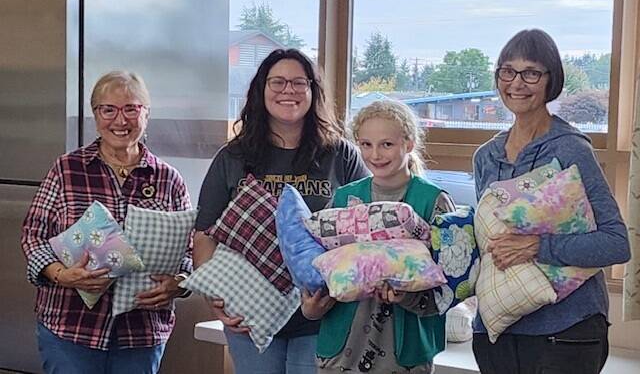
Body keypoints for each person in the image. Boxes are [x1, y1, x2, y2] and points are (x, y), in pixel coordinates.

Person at [192, 48, 369, 374]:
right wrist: (213, 297)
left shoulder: (340, 154)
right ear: (261, 89)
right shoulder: (233, 157)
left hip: (324, 314)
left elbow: (366, 227)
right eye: (278, 82)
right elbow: (204, 234)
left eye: (299, 83)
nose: (288, 90)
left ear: (313, 91)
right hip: (249, 315)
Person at [472, 29, 631, 374]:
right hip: (497, 332)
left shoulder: (570, 149)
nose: (517, 83)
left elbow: (616, 244)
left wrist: (535, 247)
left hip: (565, 333)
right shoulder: (487, 157)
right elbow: (488, 244)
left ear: (550, 80)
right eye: (507, 71)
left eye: (531, 72)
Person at [21, 71, 193, 374]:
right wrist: (62, 274)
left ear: (146, 114)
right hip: (70, 328)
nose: (120, 120)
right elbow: (32, 235)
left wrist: (178, 284)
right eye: (108, 109)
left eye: (131, 108)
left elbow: (191, 252)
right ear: (95, 115)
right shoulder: (67, 169)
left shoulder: (169, 180)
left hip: (141, 333)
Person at [303, 99, 455, 373]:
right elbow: (321, 267)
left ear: (408, 144)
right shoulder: (344, 198)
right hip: (341, 353)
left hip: (404, 354)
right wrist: (310, 307)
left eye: (387, 144)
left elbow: (450, 287)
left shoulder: (433, 201)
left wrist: (406, 296)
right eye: (366, 144)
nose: (375, 154)